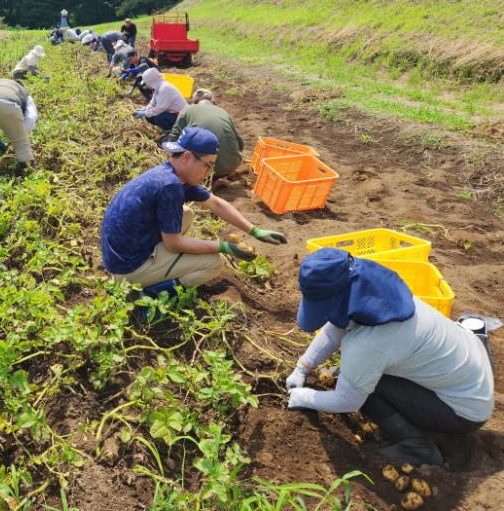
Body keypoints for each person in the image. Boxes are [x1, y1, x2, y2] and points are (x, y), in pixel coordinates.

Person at [285, 248, 494, 466]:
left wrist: (302, 397)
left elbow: (347, 401)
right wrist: (303, 367)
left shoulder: (369, 344)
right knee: (358, 374)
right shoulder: (379, 297)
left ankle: (417, 447)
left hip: (466, 411)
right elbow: (335, 327)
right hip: (475, 368)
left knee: (368, 388)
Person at [101, 127, 287, 298]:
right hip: (128, 268)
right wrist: (223, 247)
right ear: (187, 157)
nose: (209, 172)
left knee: (186, 213)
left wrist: (254, 231)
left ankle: (158, 267)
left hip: (122, 253)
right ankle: (150, 295)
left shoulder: (171, 174)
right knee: (213, 263)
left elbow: (215, 203)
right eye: (208, 164)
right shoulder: (170, 187)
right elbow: (173, 244)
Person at [165, 89, 245, 180]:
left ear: (194, 102)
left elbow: (173, 138)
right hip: (232, 165)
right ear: (212, 100)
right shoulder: (223, 112)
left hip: (204, 169)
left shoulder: (187, 110)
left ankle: (208, 179)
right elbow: (241, 146)